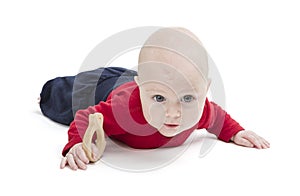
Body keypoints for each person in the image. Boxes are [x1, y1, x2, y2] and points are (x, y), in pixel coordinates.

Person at [39, 27, 270, 170]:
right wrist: (78, 143)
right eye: (160, 99)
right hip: (108, 88)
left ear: (205, 89)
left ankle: (149, 84)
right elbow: (86, 116)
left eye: (187, 98)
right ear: (141, 90)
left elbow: (217, 116)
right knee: (62, 97)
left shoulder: (198, 110)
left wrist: (236, 132)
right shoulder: (124, 110)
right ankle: (47, 92)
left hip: (139, 80)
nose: (173, 113)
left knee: (152, 80)